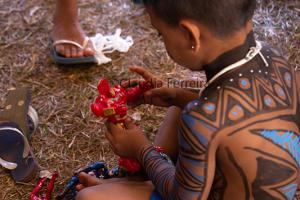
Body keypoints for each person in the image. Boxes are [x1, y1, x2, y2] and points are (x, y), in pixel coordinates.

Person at [75, 0, 300, 199]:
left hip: (193, 192)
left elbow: (181, 197)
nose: (162, 40)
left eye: (161, 34)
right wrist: (177, 96)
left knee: (90, 197)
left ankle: (138, 183)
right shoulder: (279, 61)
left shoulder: (202, 116)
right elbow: (236, 111)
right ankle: (138, 183)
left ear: (191, 35)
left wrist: (140, 149)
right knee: (183, 102)